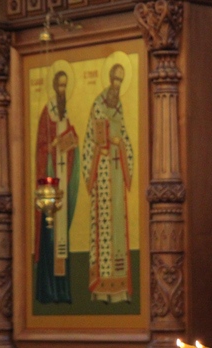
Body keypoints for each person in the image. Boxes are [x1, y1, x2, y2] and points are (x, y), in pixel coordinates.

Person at [82, 63, 134, 303]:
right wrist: (100, 149)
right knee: (103, 230)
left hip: (116, 173)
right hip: (102, 173)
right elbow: (89, 140)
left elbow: (124, 137)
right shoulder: (98, 105)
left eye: (121, 81)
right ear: (110, 79)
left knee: (118, 230)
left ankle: (120, 290)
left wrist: (120, 144)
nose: (117, 85)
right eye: (115, 80)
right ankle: (101, 290)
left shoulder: (119, 106)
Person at [35, 69, 80, 304]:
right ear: (54, 87)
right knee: (50, 236)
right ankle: (48, 290)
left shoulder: (65, 113)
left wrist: (73, 143)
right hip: (50, 188)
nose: (62, 90)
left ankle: (63, 291)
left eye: (65, 86)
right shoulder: (47, 112)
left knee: (63, 240)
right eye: (60, 86)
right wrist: (52, 145)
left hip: (63, 179)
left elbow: (71, 147)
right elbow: (41, 148)